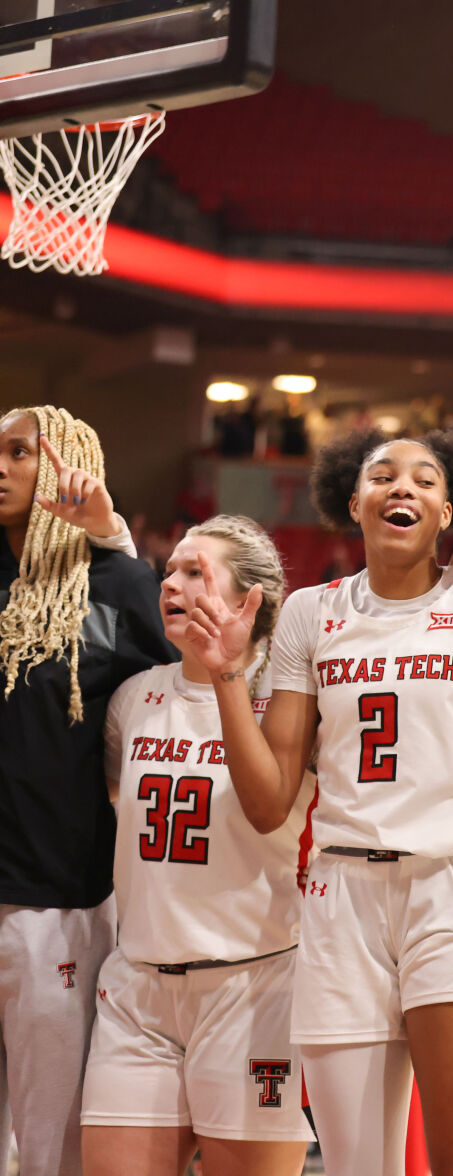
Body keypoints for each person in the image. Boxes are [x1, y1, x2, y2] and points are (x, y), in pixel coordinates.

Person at [84, 515, 453, 1176]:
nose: (171, 584)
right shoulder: (132, 700)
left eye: (194, 572)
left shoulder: (292, 702)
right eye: (169, 571)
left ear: (248, 601)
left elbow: (403, 769)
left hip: (254, 985)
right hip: (137, 987)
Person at [189, 431, 453, 1176]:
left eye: (425, 480)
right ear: (351, 500)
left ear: (445, 510)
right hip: (339, 894)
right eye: (383, 477)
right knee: (358, 1166)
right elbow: (268, 805)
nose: (403, 489)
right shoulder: (308, 613)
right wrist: (229, 675)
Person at [0, 405, 174, 1176]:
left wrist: (113, 539)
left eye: (17, 452)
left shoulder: (121, 584)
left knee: (49, 1146)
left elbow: (188, 697)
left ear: (66, 464)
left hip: (58, 898)